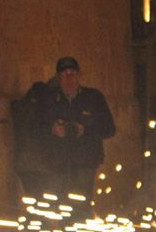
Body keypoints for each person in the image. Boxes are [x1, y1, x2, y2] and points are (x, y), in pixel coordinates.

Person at [32, 56, 116, 201]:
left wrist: (85, 129)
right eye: (65, 75)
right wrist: (52, 128)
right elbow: (35, 128)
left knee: (80, 206)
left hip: (85, 163)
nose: (69, 79)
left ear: (79, 76)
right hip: (56, 164)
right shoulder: (49, 99)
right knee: (54, 207)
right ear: (58, 78)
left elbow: (109, 129)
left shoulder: (93, 98)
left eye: (73, 74)